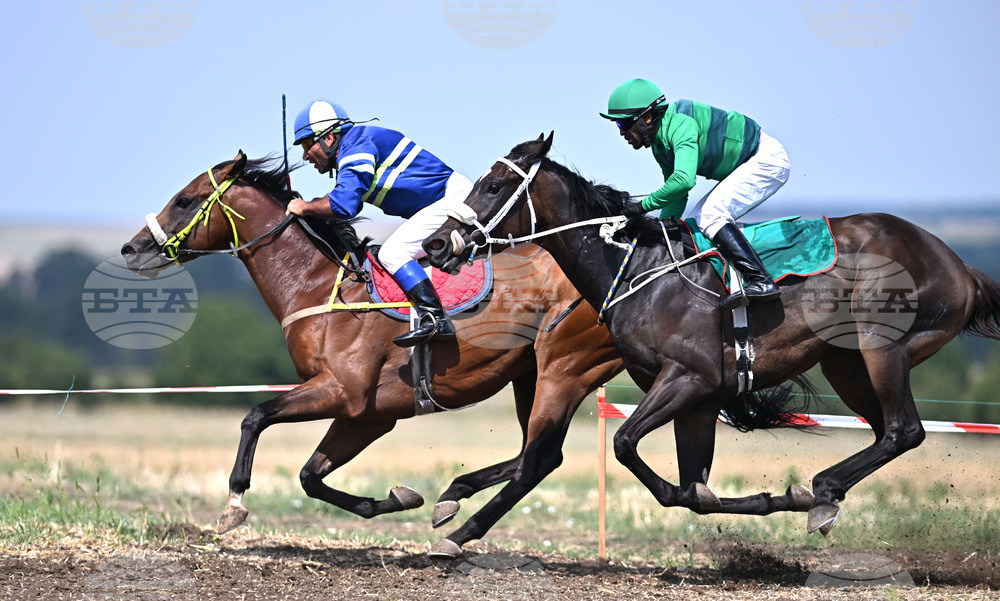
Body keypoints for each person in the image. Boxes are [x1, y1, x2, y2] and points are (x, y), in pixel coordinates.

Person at [286, 99, 472, 347]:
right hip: (445, 201)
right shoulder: (355, 146)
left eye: (308, 143)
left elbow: (343, 205)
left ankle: (436, 319)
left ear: (329, 138)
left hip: (452, 200)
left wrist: (304, 207)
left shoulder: (356, 144)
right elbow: (345, 200)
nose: (305, 154)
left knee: (393, 252)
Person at [600, 78, 790, 309]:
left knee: (712, 215)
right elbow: (677, 193)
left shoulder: (681, 124)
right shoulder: (660, 145)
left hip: (765, 160)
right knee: (698, 220)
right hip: (748, 163)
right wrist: (662, 227)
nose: (621, 132)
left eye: (623, 124)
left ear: (647, 118)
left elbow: (684, 180)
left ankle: (761, 280)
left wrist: (641, 207)